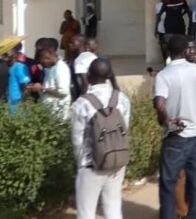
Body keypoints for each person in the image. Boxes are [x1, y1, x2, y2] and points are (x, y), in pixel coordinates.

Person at [70, 58, 131, 219]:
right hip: (117, 161)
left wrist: (81, 165)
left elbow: (77, 140)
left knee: (86, 212)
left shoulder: (81, 104)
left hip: (91, 165)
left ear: (88, 76)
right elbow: (126, 129)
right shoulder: (122, 99)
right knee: (113, 207)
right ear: (109, 75)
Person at [153, 35, 196, 219]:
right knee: (195, 182)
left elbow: (159, 103)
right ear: (185, 51)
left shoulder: (163, 75)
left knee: (168, 182)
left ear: (168, 51)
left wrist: (165, 119)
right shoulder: (195, 70)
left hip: (176, 135)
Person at [33, 39, 72, 120]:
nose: (42, 64)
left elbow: (63, 92)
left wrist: (42, 88)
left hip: (58, 115)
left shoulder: (61, 68)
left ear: (48, 57)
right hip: (49, 114)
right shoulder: (49, 69)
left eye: (43, 61)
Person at [4, 39, 30, 115]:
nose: (5, 54)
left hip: (17, 104)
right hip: (7, 103)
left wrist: (23, 103)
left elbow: (26, 87)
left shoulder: (19, 67)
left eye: (8, 51)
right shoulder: (7, 67)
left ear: (15, 53)